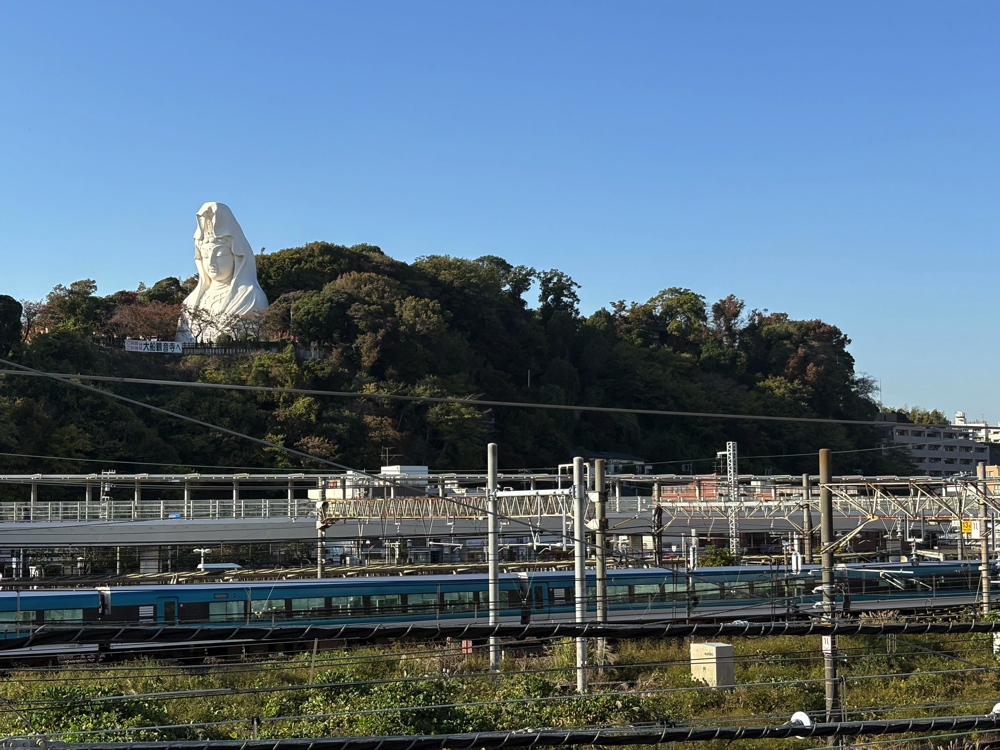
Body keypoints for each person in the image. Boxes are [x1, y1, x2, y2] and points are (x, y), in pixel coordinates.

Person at [176, 202, 269, 343]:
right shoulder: (190, 302)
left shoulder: (251, 297)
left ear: (236, 256)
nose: (211, 263)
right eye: (206, 256)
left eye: (219, 255)